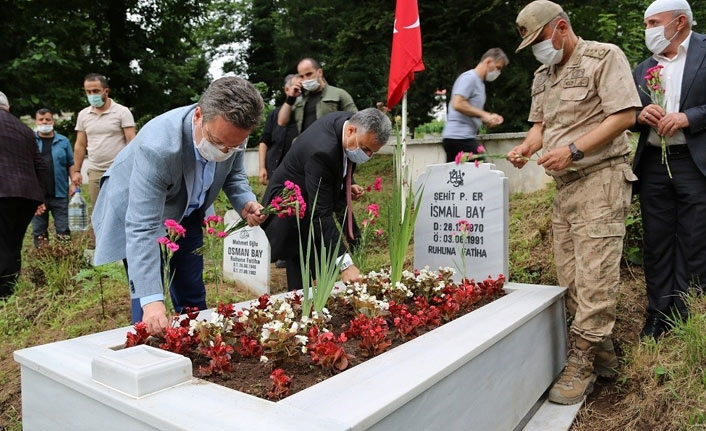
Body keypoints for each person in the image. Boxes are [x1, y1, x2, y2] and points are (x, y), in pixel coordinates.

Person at [508, 0, 641, 405]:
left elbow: (625, 115)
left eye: (540, 39)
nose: (537, 49)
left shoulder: (604, 57)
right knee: (571, 277)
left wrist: (574, 151)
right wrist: (525, 148)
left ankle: (581, 361)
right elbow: (539, 129)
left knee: (596, 274)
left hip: (601, 180)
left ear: (561, 27)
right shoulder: (543, 75)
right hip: (565, 189)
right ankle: (603, 353)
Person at [92, 77, 266, 335]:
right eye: (217, 143)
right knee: (148, 305)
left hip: (187, 208)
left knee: (192, 289)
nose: (224, 151)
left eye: (233, 146)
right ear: (199, 116)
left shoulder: (232, 134)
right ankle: (146, 353)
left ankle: (195, 346)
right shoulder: (159, 147)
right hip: (138, 208)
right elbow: (143, 226)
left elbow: (234, 174)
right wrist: (152, 301)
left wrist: (244, 201)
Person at [631, 0, 706, 339]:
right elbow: (627, 111)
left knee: (696, 238)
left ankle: (691, 311)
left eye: (653, 23)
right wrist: (639, 115)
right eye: (646, 24)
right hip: (653, 165)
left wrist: (690, 117)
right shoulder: (643, 66)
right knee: (657, 241)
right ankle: (658, 314)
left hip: (694, 162)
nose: (648, 30)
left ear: (679, 22)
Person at [262, 108, 392, 291]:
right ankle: (304, 309)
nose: (367, 156)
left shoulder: (350, 123)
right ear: (351, 131)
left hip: (311, 197)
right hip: (290, 209)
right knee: (303, 265)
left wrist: (345, 184)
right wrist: (346, 265)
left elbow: (341, 165)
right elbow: (320, 212)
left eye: (373, 152)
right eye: (365, 149)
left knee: (320, 262)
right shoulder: (322, 151)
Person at [0, 92, 48, 299]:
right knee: (13, 242)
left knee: (2, 242)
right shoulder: (25, 129)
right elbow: (40, 165)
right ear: (8, 107)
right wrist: (41, 197)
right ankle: (10, 287)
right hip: (27, 195)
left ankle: (3, 293)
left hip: (3, 192)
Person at [73, 73, 136, 207]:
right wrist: (76, 171)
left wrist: (131, 167)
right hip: (95, 170)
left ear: (106, 91)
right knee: (98, 210)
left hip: (118, 169)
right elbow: (80, 144)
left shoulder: (122, 112)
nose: (92, 95)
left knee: (120, 208)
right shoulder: (83, 115)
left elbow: (132, 141)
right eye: (88, 92)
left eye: (95, 91)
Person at [441, 48, 507, 162]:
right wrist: (484, 114)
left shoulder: (479, 83)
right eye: (498, 68)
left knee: (459, 178)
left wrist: (488, 119)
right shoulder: (469, 78)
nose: (498, 73)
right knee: (482, 173)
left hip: (460, 137)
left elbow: (469, 111)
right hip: (459, 138)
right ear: (488, 61)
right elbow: (457, 103)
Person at [32, 108, 80, 247]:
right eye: (41, 120)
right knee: (39, 231)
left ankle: (64, 258)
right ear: (36, 122)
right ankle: (43, 259)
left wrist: (73, 183)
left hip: (59, 194)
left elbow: (71, 163)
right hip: (37, 196)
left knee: (63, 230)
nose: (44, 122)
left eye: (47, 119)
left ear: (52, 121)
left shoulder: (63, 141)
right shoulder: (31, 141)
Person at [277, 58, 357, 133]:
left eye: (309, 74)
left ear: (320, 72)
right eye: (302, 76)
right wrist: (291, 98)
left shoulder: (339, 94)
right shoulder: (301, 100)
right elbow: (282, 122)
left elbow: (356, 121)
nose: (306, 79)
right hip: (305, 145)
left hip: (330, 144)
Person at [258, 74, 301, 185]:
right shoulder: (274, 114)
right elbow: (264, 142)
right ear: (286, 89)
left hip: (296, 172)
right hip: (274, 171)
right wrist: (262, 168)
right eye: (295, 87)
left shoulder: (306, 114)